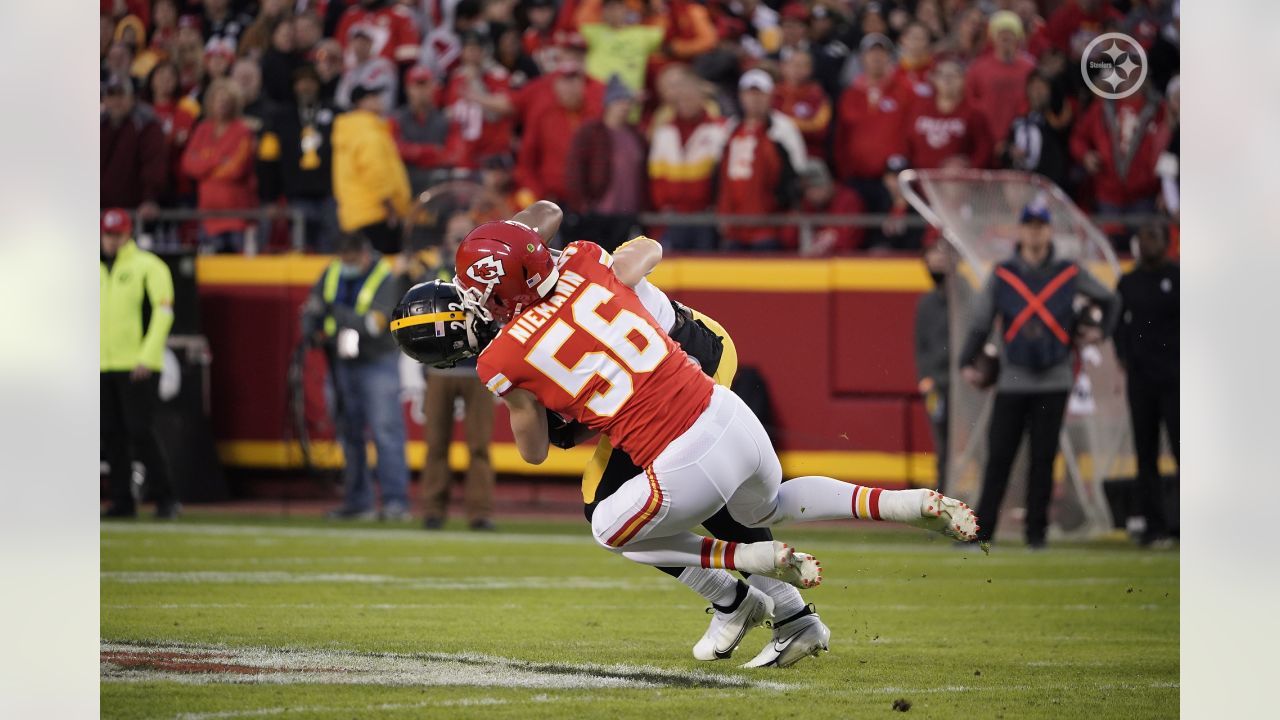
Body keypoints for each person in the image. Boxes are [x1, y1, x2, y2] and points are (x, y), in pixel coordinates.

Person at [393, 201, 979, 656]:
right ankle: (901, 508)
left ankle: (747, 580)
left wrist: (516, 388)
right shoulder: (587, 260)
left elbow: (535, 452)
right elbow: (621, 246)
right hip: (722, 407)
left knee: (607, 520)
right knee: (766, 502)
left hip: (683, 416)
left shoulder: (503, 358)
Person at [958, 202, 1120, 549]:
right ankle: (981, 532)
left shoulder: (1068, 271)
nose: (1035, 231)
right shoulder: (1004, 274)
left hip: (1054, 378)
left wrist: (1099, 331)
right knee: (999, 457)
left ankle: (1036, 534)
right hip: (1013, 377)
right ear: (1021, 230)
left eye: (1040, 225)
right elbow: (981, 321)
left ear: (1049, 231)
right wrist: (966, 360)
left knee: (1043, 460)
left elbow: (1110, 300)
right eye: (1029, 225)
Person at [300, 233, 410, 521]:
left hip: (376, 361)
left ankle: (395, 502)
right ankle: (357, 501)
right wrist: (312, 328)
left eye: (351, 260)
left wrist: (333, 314)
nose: (346, 265)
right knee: (348, 433)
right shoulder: (332, 271)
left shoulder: (385, 277)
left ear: (365, 255)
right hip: (340, 361)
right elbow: (311, 308)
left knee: (385, 432)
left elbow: (374, 325)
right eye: (343, 260)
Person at [415, 215, 498, 531]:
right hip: (441, 371)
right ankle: (433, 510)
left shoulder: (486, 278)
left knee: (479, 446)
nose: (456, 242)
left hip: (478, 371)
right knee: (436, 443)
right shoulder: (432, 276)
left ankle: (480, 512)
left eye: (462, 237)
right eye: (453, 236)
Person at [100, 209, 179, 520]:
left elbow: (163, 313)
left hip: (136, 364)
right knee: (111, 435)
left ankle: (166, 497)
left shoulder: (149, 267)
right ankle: (122, 500)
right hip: (102, 363)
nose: (111, 241)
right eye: (108, 235)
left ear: (128, 234)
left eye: (117, 235)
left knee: (140, 431)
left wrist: (147, 356)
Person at [1115, 224, 1179, 547]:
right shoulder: (1128, 281)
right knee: (1145, 454)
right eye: (1141, 237)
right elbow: (1117, 324)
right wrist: (1123, 355)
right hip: (1141, 380)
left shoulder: (1180, 278)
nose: (1145, 242)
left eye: (1152, 236)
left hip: (1177, 380)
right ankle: (1154, 527)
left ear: (1167, 242)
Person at [716, 69, 806, 252]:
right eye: (750, 93)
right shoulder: (730, 129)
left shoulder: (783, 129)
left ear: (770, 96)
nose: (755, 99)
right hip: (734, 225)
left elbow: (797, 173)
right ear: (741, 96)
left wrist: (784, 205)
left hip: (770, 226)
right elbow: (719, 174)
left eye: (760, 94)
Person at [258, 65, 340, 252]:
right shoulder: (279, 117)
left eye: (311, 81)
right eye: (301, 82)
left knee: (332, 250)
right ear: (294, 86)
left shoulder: (335, 113)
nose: (306, 86)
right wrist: (270, 198)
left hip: (330, 195)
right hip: (296, 196)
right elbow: (267, 161)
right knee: (301, 248)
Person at [647, 66, 727, 251]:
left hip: (705, 216)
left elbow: (721, 175)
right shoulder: (664, 131)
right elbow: (655, 173)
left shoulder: (718, 129)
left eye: (691, 97)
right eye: (682, 98)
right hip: (672, 216)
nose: (686, 103)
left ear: (701, 98)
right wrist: (663, 205)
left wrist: (715, 206)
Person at [563, 75, 646, 252]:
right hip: (597, 213)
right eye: (619, 101)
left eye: (627, 101)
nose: (624, 106)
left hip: (627, 213)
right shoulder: (592, 132)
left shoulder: (635, 135)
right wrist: (581, 204)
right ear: (608, 103)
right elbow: (576, 169)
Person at [332, 83, 412, 255]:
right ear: (361, 103)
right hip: (378, 216)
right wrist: (391, 208)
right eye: (373, 97)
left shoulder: (351, 130)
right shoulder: (368, 132)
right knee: (383, 274)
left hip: (356, 214)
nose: (380, 101)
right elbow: (377, 172)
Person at [181, 79, 256, 253]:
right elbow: (188, 164)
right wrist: (218, 160)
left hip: (236, 216)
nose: (222, 104)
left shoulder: (242, 131)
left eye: (226, 100)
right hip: (207, 214)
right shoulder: (202, 129)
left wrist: (204, 165)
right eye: (218, 99)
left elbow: (236, 169)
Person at [964, 11, 1035, 160]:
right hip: (985, 137)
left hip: (1018, 138)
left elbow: (1034, 101)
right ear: (993, 37)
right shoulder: (978, 67)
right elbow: (969, 100)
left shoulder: (1030, 68)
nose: (1005, 37)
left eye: (1010, 33)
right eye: (1001, 33)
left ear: (1018, 37)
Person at [904, 56, 992, 171]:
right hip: (921, 180)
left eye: (952, 75)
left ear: (963, 79)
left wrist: (970, 167)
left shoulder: (975, 112)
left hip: (957, 184)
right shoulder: (919, 108)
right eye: (941, 75)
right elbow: (906, 141)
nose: (947, 80)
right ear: (934, 79)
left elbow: (984, 149)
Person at [914, 241, 952, 493]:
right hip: (938, 385)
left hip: (963, 386)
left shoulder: (966, 297)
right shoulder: (926, 305)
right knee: (943, 445)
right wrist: (926, 378)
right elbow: (921, 347)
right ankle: (945, 493)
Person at [101, 75, 166, 220]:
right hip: (102, 211)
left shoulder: (146, 124)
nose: (116, 101)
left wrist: (150, 199)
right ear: (104, 100)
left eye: (121, 95)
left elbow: (154, 164)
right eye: (111, 95)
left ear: (132, 98)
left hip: (135, 213)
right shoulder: (100, 124)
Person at [388, 64, 453, 194]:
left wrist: (411, 151)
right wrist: (431, 151)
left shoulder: (445, 119)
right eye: (417, 85)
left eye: (426, 85)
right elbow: (393, 150)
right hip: (406, 185)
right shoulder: (396, 119)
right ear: (408, 89)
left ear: (433, 87)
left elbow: (451, 154)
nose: (422, 91)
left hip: (438, 188)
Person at [335, 24, 399, 110]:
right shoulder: (349, 72)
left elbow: (377, 101)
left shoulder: (383, 65)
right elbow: (341, 100)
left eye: (364, 41)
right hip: (352, 118)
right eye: (356, 40)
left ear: (371, 43)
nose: (360, 45)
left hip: (378, 119)